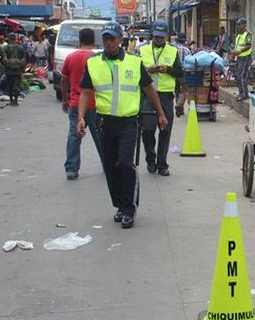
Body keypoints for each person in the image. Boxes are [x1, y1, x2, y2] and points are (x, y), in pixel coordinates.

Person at [77, 21, 168, 229]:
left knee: (125, 164)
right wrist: (81, 117)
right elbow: (85, 92)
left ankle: (129, 208)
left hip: (128, 122)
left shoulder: (134, 63)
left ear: (120, 40)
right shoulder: (93, 63)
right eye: (105, 38)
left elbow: (149, 89)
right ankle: (120, 205)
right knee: (109, 166)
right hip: (105, 122)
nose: (108, 42)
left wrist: (160, 113)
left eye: (112, 38)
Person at [139, 20, 184, 176]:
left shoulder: (172, 51)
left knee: (165, 130)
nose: (159, 40)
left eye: (161, 37)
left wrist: (168, 69)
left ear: (166, 36)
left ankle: (162, 164)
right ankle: (150, 158)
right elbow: (134, 71)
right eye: (156, 37)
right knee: (148, 129)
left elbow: (180, 72)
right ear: (152, 35)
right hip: (148, 95)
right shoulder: (142, 49)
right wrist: (146, 70)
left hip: (165, 96)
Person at [60, 28, 102, 180]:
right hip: (95, 103)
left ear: (79, 40)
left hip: (76, 103)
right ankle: (107, 165)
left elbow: (63, 80)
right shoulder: (98, 58)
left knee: (74, 135)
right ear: (94, 41)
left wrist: (65, 99)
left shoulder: (70, 57)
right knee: (100, 136)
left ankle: (71, 169)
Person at [232, 17, 253, 101]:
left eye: (239, 24)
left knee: (240, 75)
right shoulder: (239, 36)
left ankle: (243, 94)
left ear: (244, 25)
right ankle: (244, 93)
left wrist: (239, 51)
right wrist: (234, 53)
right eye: (237, 25)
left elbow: (248, 46)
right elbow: (238, 47)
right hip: (239, 57)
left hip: (245, 57)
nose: (238, 26)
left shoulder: (248, 34)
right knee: (240, 75)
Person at [4, 33, 26, 106]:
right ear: (15, 39)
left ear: (9, 39)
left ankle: (11, 100)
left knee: (9, 86)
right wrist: (23, 69)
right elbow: (24, 59)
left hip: (9, 70)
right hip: (18, 70)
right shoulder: (20, 48)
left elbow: (3, 59)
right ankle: (16, 101)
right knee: (16, 86)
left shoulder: (6, 48)